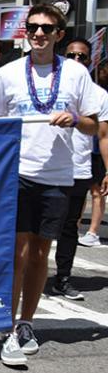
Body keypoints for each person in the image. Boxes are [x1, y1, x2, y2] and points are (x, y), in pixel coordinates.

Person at [0, 4, 101, 367]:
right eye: (33, 27)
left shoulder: (77, 74)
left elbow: (95, 126)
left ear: (58, 35)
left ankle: (26, 323)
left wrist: (77, 119)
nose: (38, 34)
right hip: (16, 172)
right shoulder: (7, 73)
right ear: (25, 32)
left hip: (58, 176)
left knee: (39, 253)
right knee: (17, 252)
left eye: (47, 29)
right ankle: (7, 326)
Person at [49, 38, 108, 301]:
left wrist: (107, 170)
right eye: (71, 55)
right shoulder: (50, 86)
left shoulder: (100, 95)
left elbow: (104, 135)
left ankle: (62, 277)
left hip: (79, 170)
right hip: (44, 169)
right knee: (35, 228)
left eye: (81, 56)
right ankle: (27, 275)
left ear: (90, 60)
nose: (76, 60)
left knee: (69, 228)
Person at [80, 57, 108, 247]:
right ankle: (75, 226)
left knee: (97, 192)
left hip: (97, 150)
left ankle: (93, 232)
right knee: (79, 193)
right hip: (80, 149)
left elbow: (104, 133)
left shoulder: (101, 94)